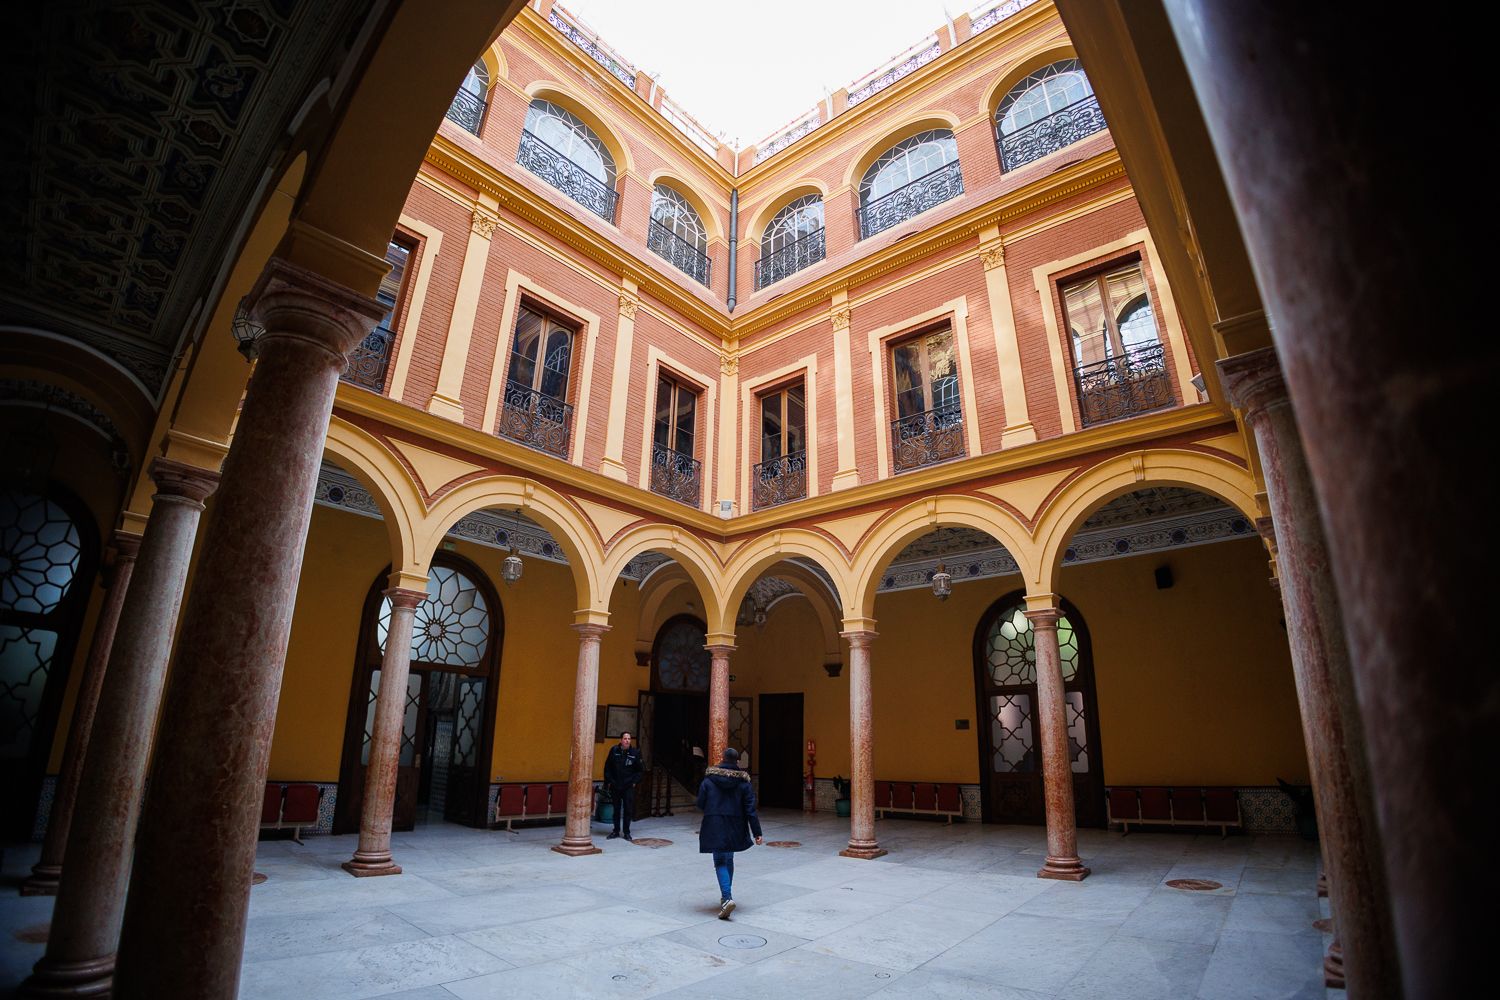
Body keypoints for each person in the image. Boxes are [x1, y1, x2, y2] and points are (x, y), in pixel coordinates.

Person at [696, 747, 763, 919]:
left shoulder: (709, 780)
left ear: (722, 759)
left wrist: (712, 809)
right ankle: (726, 896)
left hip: (714, 824)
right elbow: (750, 810)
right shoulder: (744, 783)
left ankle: (727, 897)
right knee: (729, 858)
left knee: (719, 861)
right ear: (737, 762)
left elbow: (700, 803)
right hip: (735, 825)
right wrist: (757, 832)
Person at [603, 731, 643, 841]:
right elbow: (607, 768)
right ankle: (616, 831)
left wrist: (634, 782)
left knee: (628, 810)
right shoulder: (614, 751)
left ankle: (626, 832)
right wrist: (609, 781)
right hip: (615, 786)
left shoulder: (635, 753)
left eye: (629, 739)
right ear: (621, 740)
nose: (627, 741)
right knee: (616, 810)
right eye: (625, 738)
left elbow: (640, 771)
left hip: (628, 787)